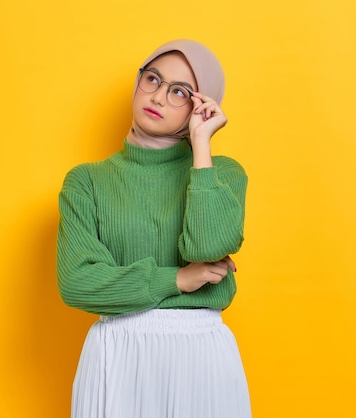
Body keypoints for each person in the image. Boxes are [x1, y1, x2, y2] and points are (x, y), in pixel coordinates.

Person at [56, 39, 251, 418]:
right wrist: (176, 280)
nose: (159, 97)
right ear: (138, 82)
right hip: (117, 350)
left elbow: (207, 246)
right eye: (153, 79)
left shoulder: (222, 173)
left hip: (201, 355)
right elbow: (77, 282)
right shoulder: (87, 181)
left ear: (202, 105)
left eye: (180, 92)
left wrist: (201, 145)